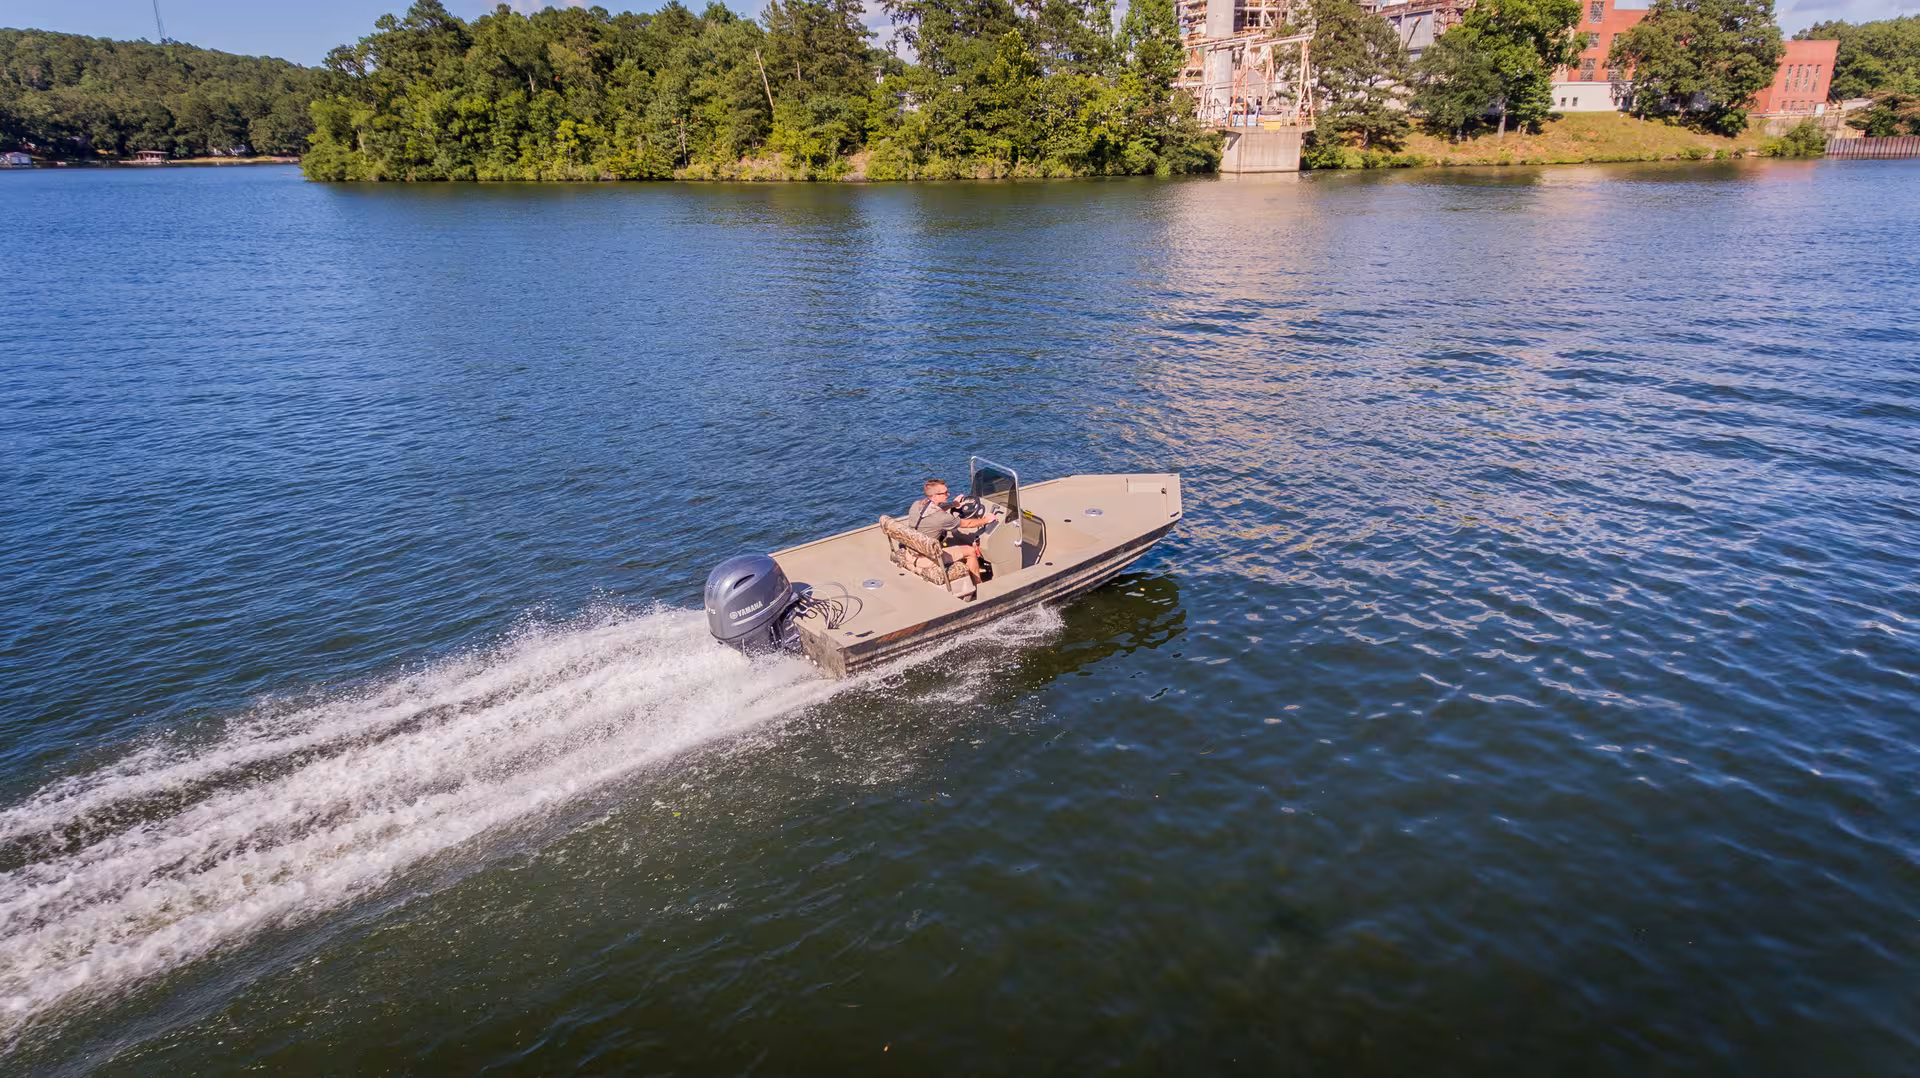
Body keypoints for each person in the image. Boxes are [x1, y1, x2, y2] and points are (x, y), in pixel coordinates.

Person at [904, 478, 987, 589]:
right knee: (971, 551)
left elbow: (935, 509)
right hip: (928, 559)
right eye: (945, 493)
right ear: (935, 496)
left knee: (955, 542)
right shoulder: (942, 518)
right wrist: (986, 520)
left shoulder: (916, 505)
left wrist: (952, 505)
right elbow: (968, 523)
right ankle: (979, 586)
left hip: (912, 551)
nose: (948, 494)